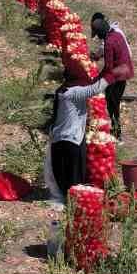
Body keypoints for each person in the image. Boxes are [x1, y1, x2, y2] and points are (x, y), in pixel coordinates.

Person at [46, 74, 108, 206]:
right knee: (75, 175)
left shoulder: (62, 90)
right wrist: (114, 74)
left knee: (62, 174)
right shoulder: (75, 92)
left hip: (58, 139)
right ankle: (74, 202)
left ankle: (65, 198)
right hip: (72, 140)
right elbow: (95, 89)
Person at [91, 13, 134, 140]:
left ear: (101, 33)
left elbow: (109, 68)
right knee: (114, 101)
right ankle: (116, 129)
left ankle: (117, 132)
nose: (99, 38)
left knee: (111, 103)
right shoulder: (117, 34)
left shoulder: (108, 42)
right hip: (126, 70)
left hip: (118, 74)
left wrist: (96, 80)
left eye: (98, 35)